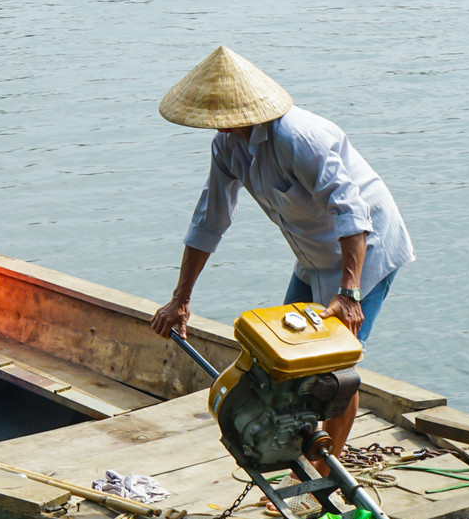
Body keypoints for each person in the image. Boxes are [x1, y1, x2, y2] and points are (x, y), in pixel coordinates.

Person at [149, 46, 415, 459]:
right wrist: (180, 300)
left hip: (366, 250)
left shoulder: (298, 139)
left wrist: (349, 292)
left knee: (332, 371)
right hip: (312, 253)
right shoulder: (227, 147)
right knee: (281, 358)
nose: (216, 126)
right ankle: (293, 452)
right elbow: (210, 219)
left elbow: (352, 213)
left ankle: (328, 474)